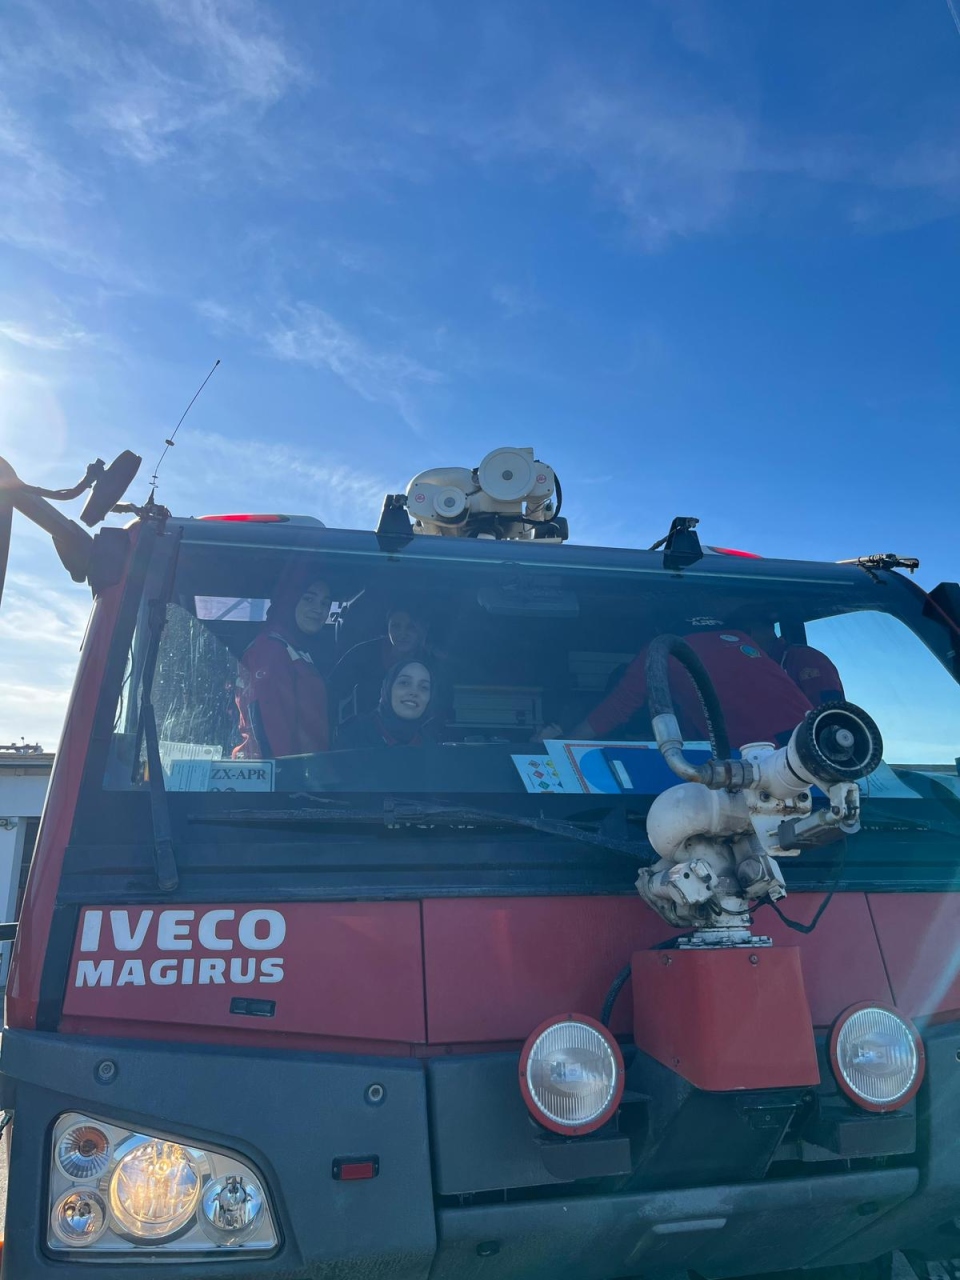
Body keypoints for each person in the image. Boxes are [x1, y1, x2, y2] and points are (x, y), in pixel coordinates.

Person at [541, 621, 835, 749]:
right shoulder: (742, 641)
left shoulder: (659, 650)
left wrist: (560, 744)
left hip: (759, 768)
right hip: (816, 755)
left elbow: (616, 709)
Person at [233, 570, 333, 759]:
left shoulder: (297, 649)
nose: (318, 609)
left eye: (325, 603)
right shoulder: (271, 650)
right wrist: (288, 773)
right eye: (309, 599)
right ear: (290, 601)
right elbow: (274, 733)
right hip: (282, 771)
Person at [329, 603, 433, 721]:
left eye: (411, 627)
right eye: (395, 626)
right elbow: (332, 691)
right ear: (387, 627)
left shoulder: (431, 662)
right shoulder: (363, 653)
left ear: (423, 629)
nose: (402, 633)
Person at [336, 660, 436, 748]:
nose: (414, 692)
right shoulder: (353, 735)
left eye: (424, 687)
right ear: (387, 688)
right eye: (404, 683)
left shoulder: (431, 749)